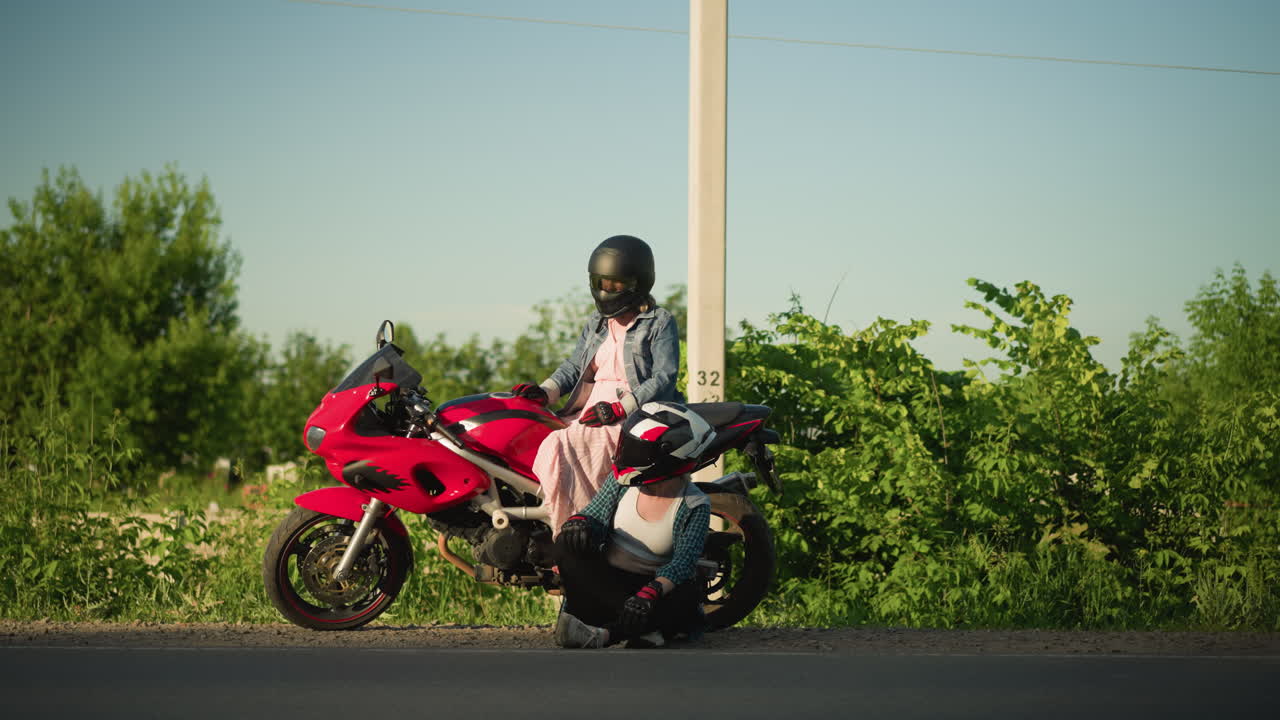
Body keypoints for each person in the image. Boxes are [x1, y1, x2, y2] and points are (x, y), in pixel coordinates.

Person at [509, 235, 682, 535]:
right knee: (533, 434)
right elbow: (576, 366)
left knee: (557, 445)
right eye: (601, 283)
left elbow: (664, 377)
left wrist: (620, 407)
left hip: (635, 414)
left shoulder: (659, 321)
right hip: (590, 409)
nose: (606, 291)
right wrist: (545, 390)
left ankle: (574, 533)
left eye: (615, 285)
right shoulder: (597, 323)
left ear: (638, 282)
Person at [551, 401, 716, 649]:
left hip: (654, 588)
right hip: (610, 584)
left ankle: (606, 634)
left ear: (668, 456)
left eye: (639, 450)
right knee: (566, 542)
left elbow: (683, 562)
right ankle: (643, 629)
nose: (628, 454)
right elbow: (594, 514)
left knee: (686, 596)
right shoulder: (623, 480)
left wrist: (651, 593)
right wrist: (579, 523)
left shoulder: (694, 505)